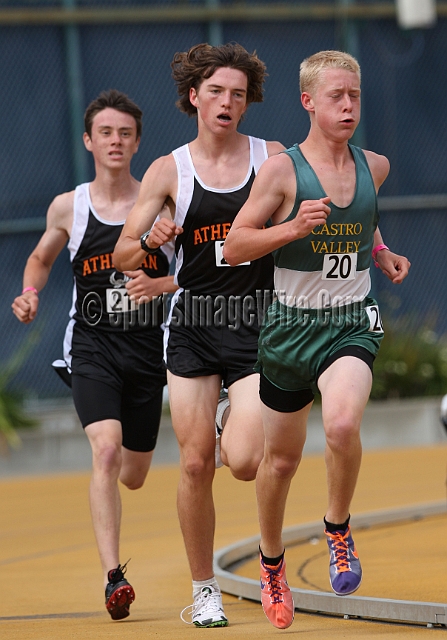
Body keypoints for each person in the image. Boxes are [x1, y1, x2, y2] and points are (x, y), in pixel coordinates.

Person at [223, 50, 410, 629]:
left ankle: (337, 529)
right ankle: (272, 563)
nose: (349, 105)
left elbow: (365, 218)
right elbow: (234, 246)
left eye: (355, 95)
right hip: (290, 328)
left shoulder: (373, 165)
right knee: (279, 462)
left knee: (343, 423)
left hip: (351, 320)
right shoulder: (282, 171)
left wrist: (380, 253)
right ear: (308, 101)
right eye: (337, 96)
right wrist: (293, 228)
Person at [112, 42, 285, 627]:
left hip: (258, 323)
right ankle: (205, 589)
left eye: (238, 94)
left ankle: (225, 419)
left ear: (247, 102)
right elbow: (122, 253)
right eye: (216, 91)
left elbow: (331, 198)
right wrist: (150, 241)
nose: (227, 102)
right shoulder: (169, 170)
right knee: (193, 465)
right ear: (194, 97)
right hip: (192, 326)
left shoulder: (272, 157)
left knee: (241, 461)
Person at [12, 89, 176, 621]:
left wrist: (164, 273)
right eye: (106, 132)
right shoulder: (70, 206)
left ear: (137, 143)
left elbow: (196, 272)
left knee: (133, 473)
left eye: (125, 133)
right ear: (89, 140)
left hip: (148, 354)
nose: (115, 141)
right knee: (105, 452)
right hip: (92, 348)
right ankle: (113, 578)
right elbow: (40, 258)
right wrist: (31, 294)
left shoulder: (163, 204)